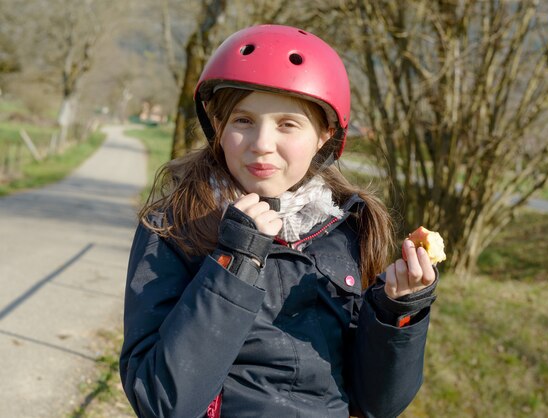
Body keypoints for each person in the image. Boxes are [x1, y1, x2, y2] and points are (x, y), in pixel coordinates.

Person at [119, 24, 439, 418]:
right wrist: (234, 261)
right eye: (243, 121)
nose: (261, 144)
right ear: (218, 126)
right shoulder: (173, 227)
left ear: (324, 134)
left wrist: (398, 312)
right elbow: (161, 401)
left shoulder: (348, 229)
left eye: (288, 124)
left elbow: (378, 404)